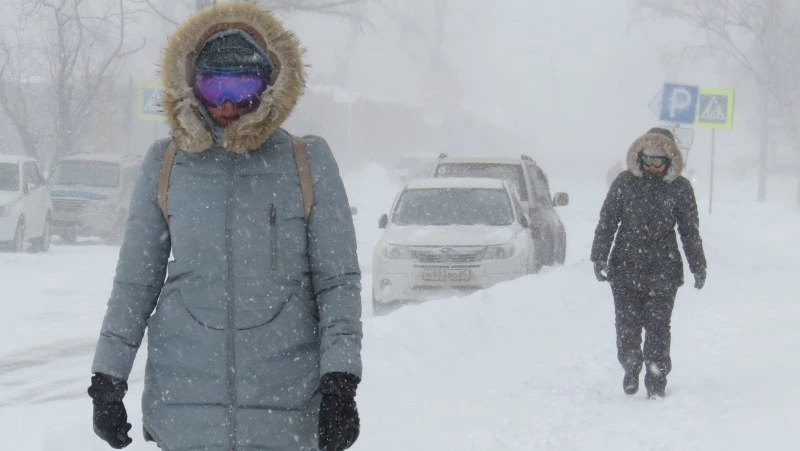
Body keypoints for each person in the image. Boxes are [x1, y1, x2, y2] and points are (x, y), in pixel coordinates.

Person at [87, 3, 363, 450]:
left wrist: (340, 382)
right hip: (184, 414)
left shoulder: (306, 162)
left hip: (287, 412)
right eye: (215, 86)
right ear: (193, 85)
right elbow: (135, 282)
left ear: (270, 84)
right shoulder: (167, 162)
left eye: (244, 86)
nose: (229, 104)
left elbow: (338, 282)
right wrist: (108, 376)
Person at [590, 127, 706, 399]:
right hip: (625, 268)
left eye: (659, 160)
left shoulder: (679, 188)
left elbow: (689, 231)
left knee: (657, 327)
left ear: (670, 160)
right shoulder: (624, 183)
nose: (652, 166)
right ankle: (631, 365)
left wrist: (697, 265)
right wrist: (599, 255)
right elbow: (607, 221)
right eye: (647, 159)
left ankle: (656, 377)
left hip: (663, 272)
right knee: (627, 324)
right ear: (638, 157)